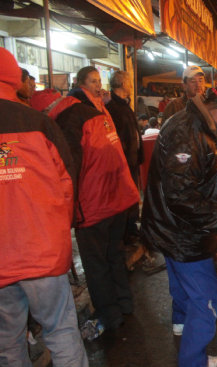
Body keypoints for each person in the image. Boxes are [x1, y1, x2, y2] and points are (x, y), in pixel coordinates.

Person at [141, 85, 217, 367]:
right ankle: (193, 361)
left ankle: (180, 327)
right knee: (206, 299)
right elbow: (181, 195)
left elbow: (204, 177)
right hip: (183, 231)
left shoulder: (195, 122)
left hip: (171, 228)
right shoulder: (189, 132)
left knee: (181, 286)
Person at [0, 48, 88, 366]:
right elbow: (67, 184)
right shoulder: (40, 124)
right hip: (42, 252)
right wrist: (57, 232)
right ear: (14, 79)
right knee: (61, 331)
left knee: (8, 343)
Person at [58, 66, 140, 333]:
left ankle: (111, 314)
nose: (97, 86)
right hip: (114, 199)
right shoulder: (96, 112)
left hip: (95, 205)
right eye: (93, 81)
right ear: (81, 83)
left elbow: (68, 166)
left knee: (98, 263)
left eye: (99, 81)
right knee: (112, 255)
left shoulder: (77, 113)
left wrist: (67, 208)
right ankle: (123, 304)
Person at [105, 71, 144, 250]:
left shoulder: (124, 105)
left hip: (132, 160)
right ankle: (127, 233)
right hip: (124, 162)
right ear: (122, 83)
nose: (131, 85)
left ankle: (131, 229)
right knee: (126, 198)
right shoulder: (113, 108)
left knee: (132, 196)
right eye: (129, 82)